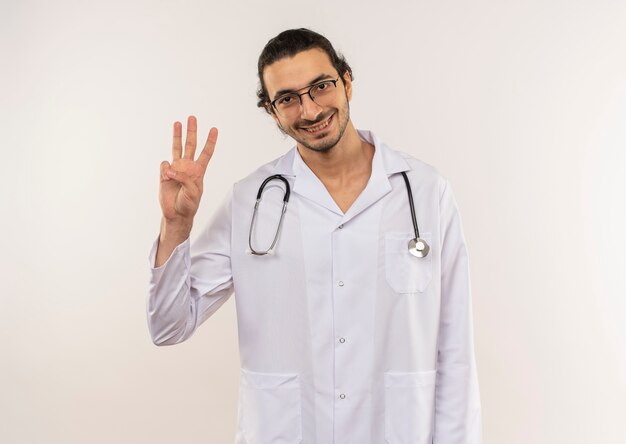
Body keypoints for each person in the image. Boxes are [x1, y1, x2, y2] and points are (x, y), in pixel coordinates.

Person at [148, 28, 482, 444]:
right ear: (272, 112)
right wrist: (176, 225)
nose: (309, 110)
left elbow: (456, 351)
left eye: (320, 87)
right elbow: (168, 325)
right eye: (287, 98)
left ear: (346, 82)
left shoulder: (427, 192)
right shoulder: (251, 200)